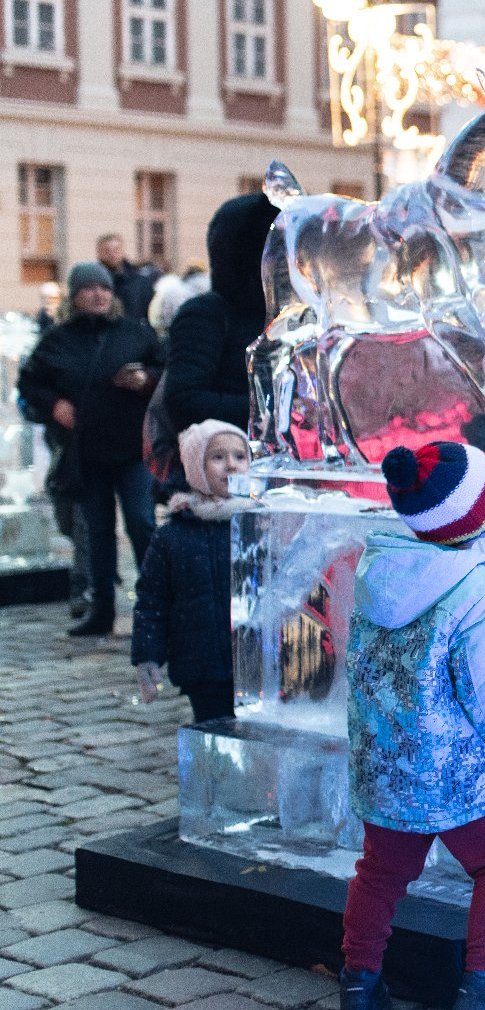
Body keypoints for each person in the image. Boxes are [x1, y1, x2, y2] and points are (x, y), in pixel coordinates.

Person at [337, 441, 485, 1010]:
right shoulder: (480, 592)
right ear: (478, 519)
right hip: (456, 774)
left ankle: (359, 983)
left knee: (380, 871)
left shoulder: (376, 570)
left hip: (386, 764)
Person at [17, 261, 162, 637]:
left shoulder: (135, 334)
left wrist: (145, 380)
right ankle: (101, 608)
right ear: (75, 294)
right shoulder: (57, 340)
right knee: (97, 532)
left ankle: (159, 605)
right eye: (88, 288)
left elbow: (166, 372)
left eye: (103, 288)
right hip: (87, 453)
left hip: (132, 449)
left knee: (142, 523)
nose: (98, 294)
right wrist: (54, 405)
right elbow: (30, 383)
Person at [131, 422, 253, 723]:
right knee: (215, 734)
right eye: (217, 457)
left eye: (240, 456)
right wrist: (148, 654)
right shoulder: (172, 536)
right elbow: (152, 599)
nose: (231, 465)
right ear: (196, 466)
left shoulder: (257, 524)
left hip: (255, 662)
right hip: (202, 665)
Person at [164, 194, 281, 434]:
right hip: (224, 460)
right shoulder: (206, 314)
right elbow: (184, 401)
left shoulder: (286, 312)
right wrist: (274, 409)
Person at [96, 233, 159, 323]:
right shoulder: (93, 283)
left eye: (116, 250)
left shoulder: (140, 282)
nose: (112, 254)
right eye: (107, 251)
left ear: (123, 251)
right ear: (99, 253)